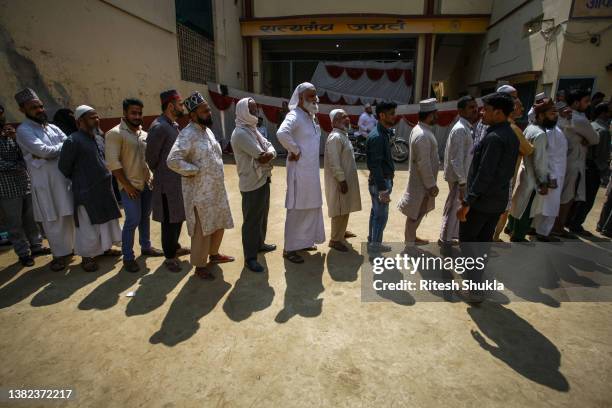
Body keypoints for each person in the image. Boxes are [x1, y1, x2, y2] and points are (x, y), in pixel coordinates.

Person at [457, 92, 518, 303]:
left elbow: (484, 175)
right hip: (496, 201)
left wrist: (467, 203)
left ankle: (473, 289)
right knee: (482, 244)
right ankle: (476, 281)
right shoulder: (510, 134)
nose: (482, 112)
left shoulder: (494, 138)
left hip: (482, 203)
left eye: (487, 109)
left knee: (468, 242)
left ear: (499, 113)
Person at [167, 92, 234, 280]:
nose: (209, 113)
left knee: (218, 223)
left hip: (216, 190)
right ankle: (199, 266)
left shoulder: (207, 130)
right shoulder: (188, 134)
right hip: (199, 193)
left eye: (209, 109)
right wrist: (195, 170)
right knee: (202, 230)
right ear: (193, 115)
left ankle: (214, 254)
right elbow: (173, 160)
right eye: (205, 111)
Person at [14, 88, 74, 271]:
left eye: (40, 106)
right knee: (52, 219)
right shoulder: (24, 131)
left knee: (69, 215)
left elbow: (69, 142)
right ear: (22, 109)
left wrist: (50, 153)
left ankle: (71, 250)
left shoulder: (52, 127)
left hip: (63, 180)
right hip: (44, 184)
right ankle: (59, 255)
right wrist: (52, 152)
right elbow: (43, 151)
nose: (39, 110)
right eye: (33, 107)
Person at [58, 105, 122, 271]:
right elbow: (64, 167)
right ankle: (86, 257)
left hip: (104, 190)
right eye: (92, 117)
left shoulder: (99, 137)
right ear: (80, 121)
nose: (97, 120)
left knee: (106, 222)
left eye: (97, 117)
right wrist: (83, 178)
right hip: (86, 191)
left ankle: (105, 249)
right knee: (87, 226)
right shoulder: (72, 140)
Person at [105, 98, 163, 272]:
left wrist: (151, 176)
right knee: (132, 220)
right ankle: (128, 257)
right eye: (133, 113)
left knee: (144, 217)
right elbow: (113, 164)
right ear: (124, 113)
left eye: (139, 113)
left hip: (146, 184)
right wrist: (128, 186)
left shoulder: (142, 134)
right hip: (129, 187)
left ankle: (146, 247)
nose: (137, 116)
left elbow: (146, 160)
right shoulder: (115, 134)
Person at [276, 82, 325, 264]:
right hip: (299, 172)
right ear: (301, 98)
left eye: (315, 95)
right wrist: (294, 150)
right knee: (297, 210)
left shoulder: (310, 117)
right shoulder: (294, 115)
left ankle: (304, 242)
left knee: (311, 206)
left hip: (311, 172)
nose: (315, 98)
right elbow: (282, 133)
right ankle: (289, 248)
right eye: (311, 96)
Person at [145, 90, 190, 273]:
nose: (182, 108)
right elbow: (151, 157)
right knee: (169, 221)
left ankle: (175, 247)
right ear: (171, 106)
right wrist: (162, 173)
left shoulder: (172, 125)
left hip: (177, 182)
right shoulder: (159, 127)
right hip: (166, 184)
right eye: (180, 104)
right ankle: (169, 257)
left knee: (177, 217)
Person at [230, 97, 277, 272]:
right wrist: (270, 153)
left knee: (262, 215)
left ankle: (259, 244)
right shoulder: (241, 133)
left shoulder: (252, 129)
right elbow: (263, 155)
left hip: (262, 179)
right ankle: (250, 258)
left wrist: (269, 152)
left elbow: (269, 146)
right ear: (243, 111)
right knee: (251, 221)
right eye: (251, 109)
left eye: (256, 108)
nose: (255, 112)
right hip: (251, 183)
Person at [0, 103, 49, 266]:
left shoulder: (11, 133)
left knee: (31, 219)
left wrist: (16, 139)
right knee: (14, 224)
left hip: (24, 183)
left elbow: (26, 153)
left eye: (1, 113)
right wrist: (21, 165)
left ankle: (36, 246)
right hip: (6, 189)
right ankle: (23, 253)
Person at [555, 89, 599, 237]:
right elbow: (595, 138)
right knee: (567, 196)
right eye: (585, 101)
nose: (588, 104)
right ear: (575, 103)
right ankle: (559, 227)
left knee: (557, 195)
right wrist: (586, 139)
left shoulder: (560, 115)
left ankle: (553, 225)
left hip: (561, 160)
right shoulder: (579, 119)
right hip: (573, 162)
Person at [494, 85, 534, 241]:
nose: (520, 107)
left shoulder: (491, 123)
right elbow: (528, 150)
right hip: (505, 178)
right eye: (517, 102)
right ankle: (494, 237)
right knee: (503, 209)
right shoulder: (512, 129)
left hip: (494, 176)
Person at [398, 98, 439, 246]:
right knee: (415, 213)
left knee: (417, 212)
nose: (438, 116)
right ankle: (409, 243)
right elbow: (424, 163)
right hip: (421, 183)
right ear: (430, 115)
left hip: (421, 182)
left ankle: (411, 238)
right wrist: (431, 185)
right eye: (436, 114)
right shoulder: (422, 134)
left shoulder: (421, 130)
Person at [439, 95, 478, 248]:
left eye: (475, 106)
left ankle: (448, 237)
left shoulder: (466, 127)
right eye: (470, 107)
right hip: (459, 178)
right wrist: (462, 183)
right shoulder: (461, 130)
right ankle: (445, 240)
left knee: (456, 208)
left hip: (462, 176)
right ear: (461, 110)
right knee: (454, 209)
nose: (475, 110)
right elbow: (456, 160)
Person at [566, 102, 610, 235]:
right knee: (587, 199)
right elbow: (601, 156)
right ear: (604, 113)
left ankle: (569, 221)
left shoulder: (591, 125)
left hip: (583, 165)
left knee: (577, 197)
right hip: (593, 168)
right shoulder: (603, 131)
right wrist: (604, 173)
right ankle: (576, 224)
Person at [324, 109, 362, 252]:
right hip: (339, 182)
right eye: (342, 117)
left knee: (345, 206)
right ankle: (335, 239)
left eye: (347, 116)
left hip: (346, 180)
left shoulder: (343, 135)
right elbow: (334, 162)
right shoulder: (335, 138)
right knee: (339, 209)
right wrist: (341, 180)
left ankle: (341, 232)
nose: (347, 119)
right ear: (334, 122)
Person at [365, 101, 397, 251]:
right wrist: (383, 189)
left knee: (375, 213)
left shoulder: (382, 132)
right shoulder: (378, 136)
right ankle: (375, 246)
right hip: (380, 182)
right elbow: (375, 165)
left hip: (380, 181)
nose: (394, 116)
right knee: (381, 216)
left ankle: (372, 240)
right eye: (391, 114)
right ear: (382, 115)